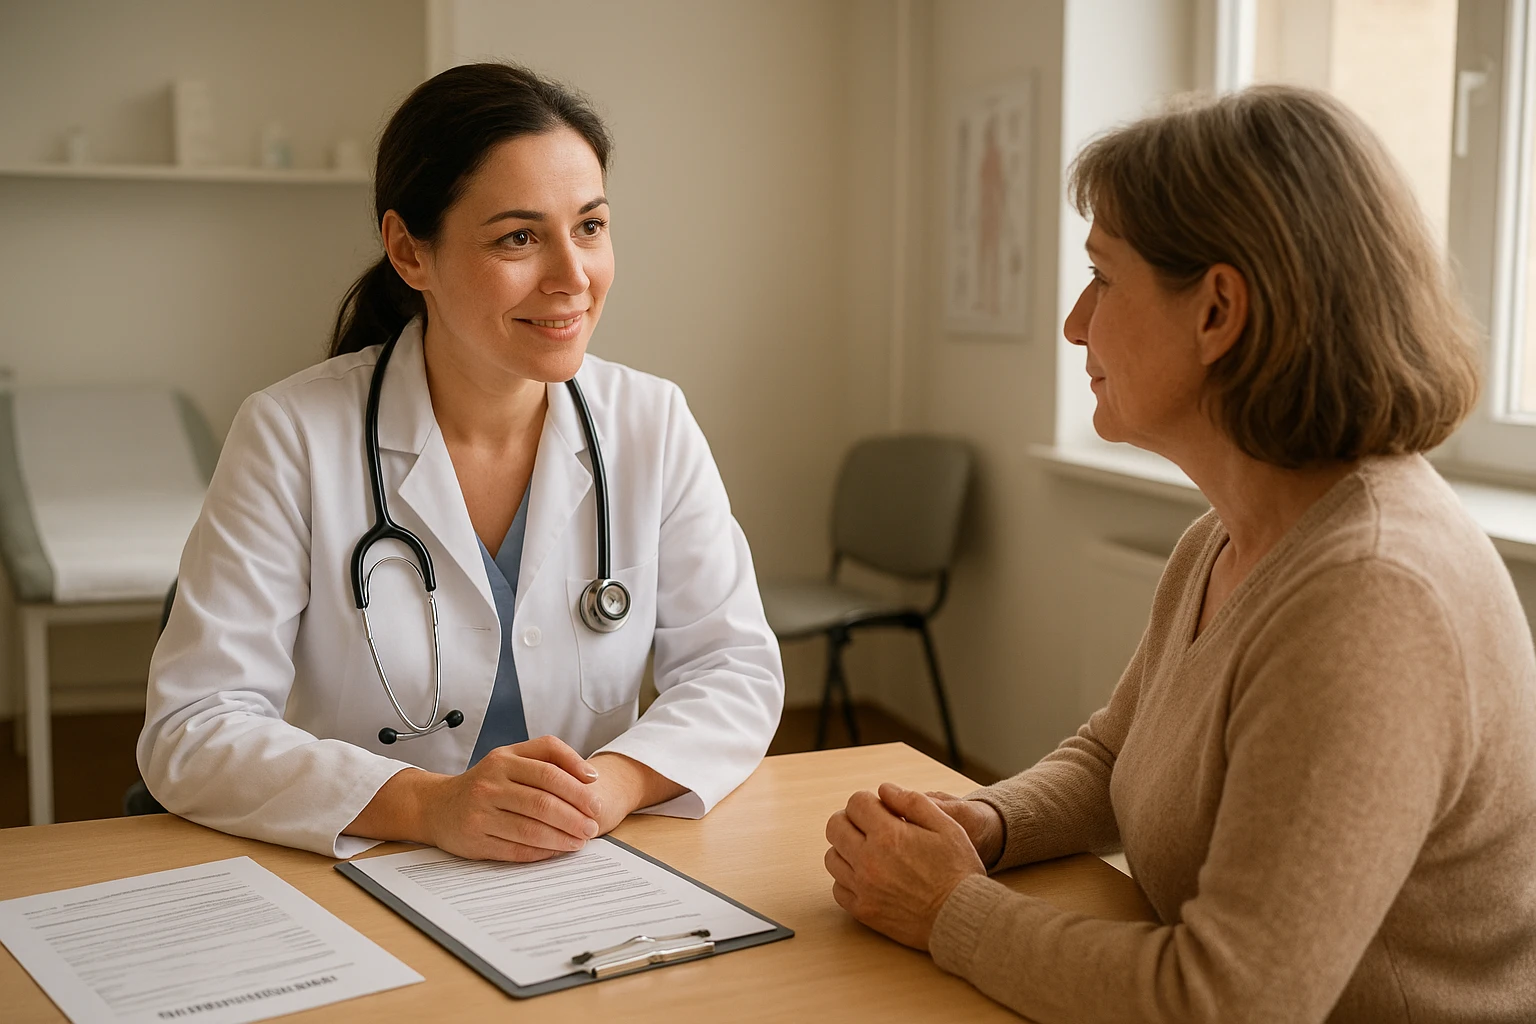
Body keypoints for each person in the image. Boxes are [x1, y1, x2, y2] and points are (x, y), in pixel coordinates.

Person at [824, 85, 1536, 1021]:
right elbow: (1116, 753)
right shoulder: (1231, 532)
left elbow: (1225, 1001)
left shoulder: (1372, 596)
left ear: (1217, 312)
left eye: (1103, 278)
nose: (1075, 323)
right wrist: (986, 823)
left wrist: (948, 908)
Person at [138, 63, 784, 861]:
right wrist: (428, 805)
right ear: (410, 253)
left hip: (581, 865)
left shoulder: (651, 423)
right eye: (519, 238)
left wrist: (610, 786)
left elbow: (734, 670)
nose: (573, 277)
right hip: (367, 865)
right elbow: (194, 727)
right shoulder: (291, 436)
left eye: (589, 226)